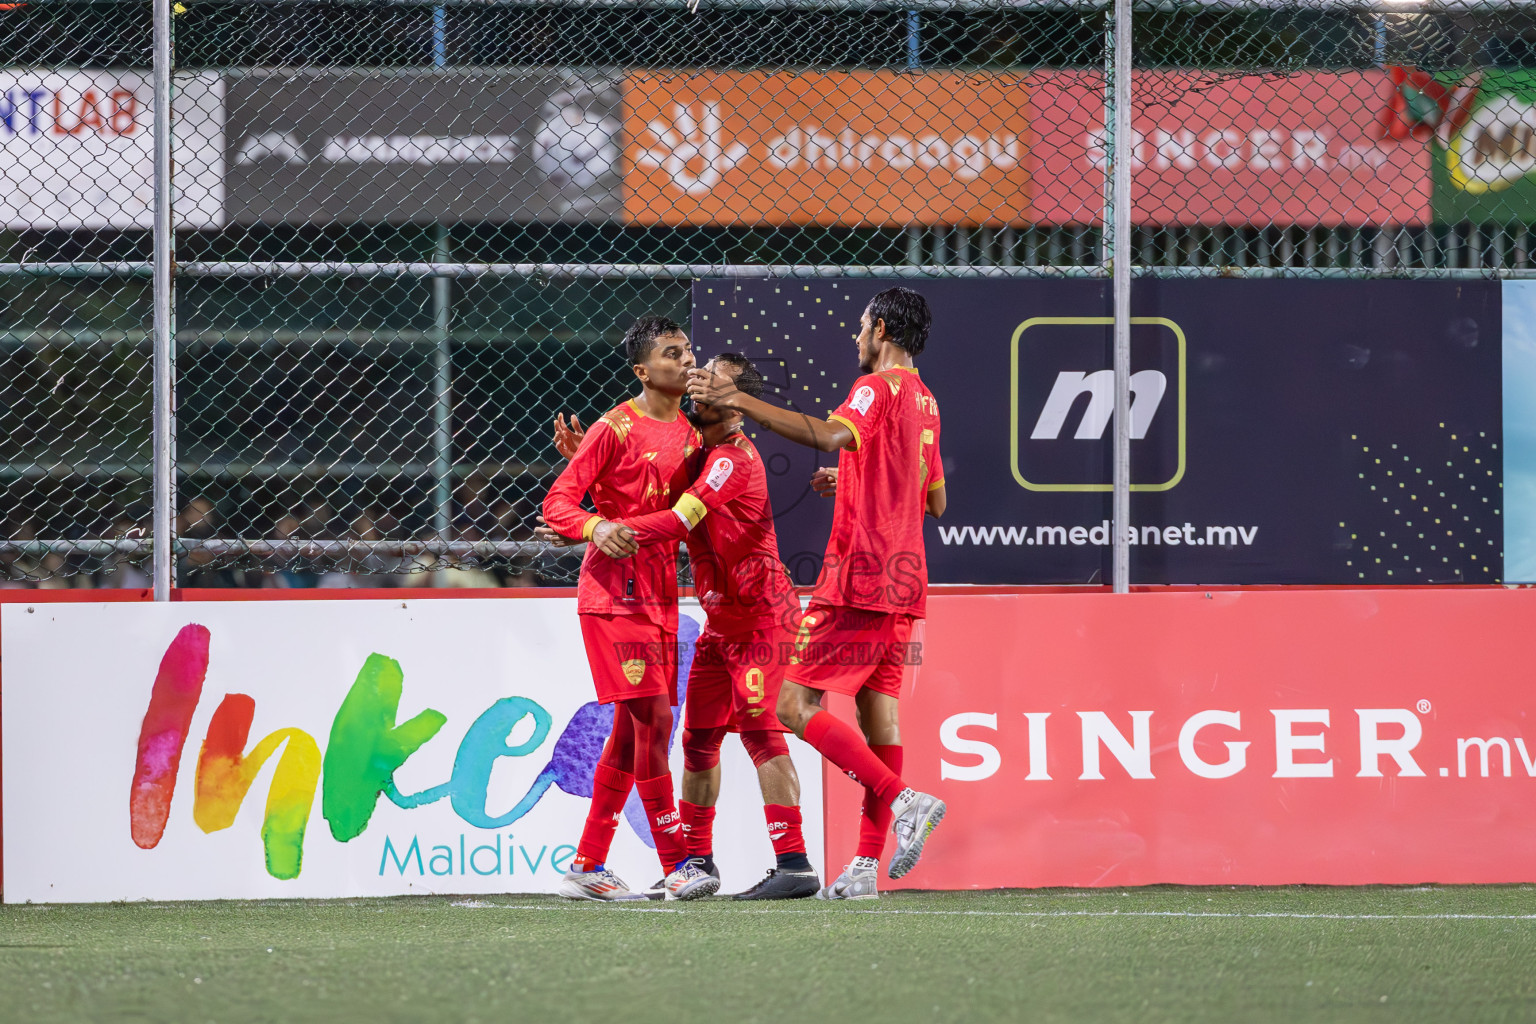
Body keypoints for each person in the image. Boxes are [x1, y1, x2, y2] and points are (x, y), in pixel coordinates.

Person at [686, 286, 947, 900]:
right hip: (907, 576)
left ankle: (903, 800)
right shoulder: (927, 400)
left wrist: (738, 397)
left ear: (881, 328)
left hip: (859, 574)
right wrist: (858, 476)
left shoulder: (874, 388)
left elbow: (832, 435)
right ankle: (864, 869)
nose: (855, 338)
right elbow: (934, 498)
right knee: (879, 719)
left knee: (792, 708)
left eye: (860, 327)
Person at [544, 354, 820, 901]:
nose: (695, 378)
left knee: (759, 731)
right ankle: (695, 863)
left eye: (709, 375)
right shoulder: (697, 452)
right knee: (694, 739)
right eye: (692, 368)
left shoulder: (731, 459)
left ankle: (794, 862)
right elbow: (651, 485)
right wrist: (601, 478)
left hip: (762, 614)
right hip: (720, 622)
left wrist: (598, 528)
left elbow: (675, 518)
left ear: (737, 401)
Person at [541, 315, 717, 902]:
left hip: (663, 600)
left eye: (689, 350)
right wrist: (595, 525)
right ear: (643, 371)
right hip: (613, 601)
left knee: (628, 732)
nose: (686, 361)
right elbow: (559, 502)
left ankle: (588, 863)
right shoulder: (614, 426)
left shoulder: (694, 438)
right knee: (654, 723)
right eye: (672, 353)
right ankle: (677, 865)